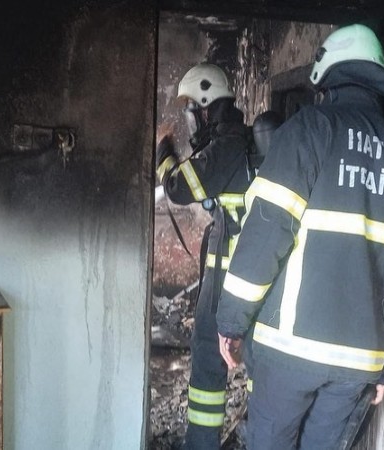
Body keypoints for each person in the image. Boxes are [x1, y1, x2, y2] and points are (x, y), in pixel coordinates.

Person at [215, 24, 384, 449]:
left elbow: (266, 232)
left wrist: (231, 321)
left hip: (291, 348)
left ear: (328, 78)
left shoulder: (311, 128)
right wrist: (383, 364)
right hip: (359, 360)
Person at [155, 62, 254, 449]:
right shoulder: (235, 141)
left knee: (209, 357)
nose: (190, 121)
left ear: (207, 106)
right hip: (242, 272)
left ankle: (201, 443)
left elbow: (179, 187)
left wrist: (163, 151)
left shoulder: (227, 145)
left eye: (192, 112)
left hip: (228, 276)